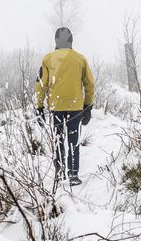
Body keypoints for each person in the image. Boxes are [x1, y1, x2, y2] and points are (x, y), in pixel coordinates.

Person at [34, 27, 95, 187]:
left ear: (56, 41)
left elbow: (40, 85)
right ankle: (73, 175)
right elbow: (90, 83)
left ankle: (59, 173)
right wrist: (88, 105)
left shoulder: (48, 59)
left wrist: (39, 106)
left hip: (56, 107)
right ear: (71, 41)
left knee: (58, 140)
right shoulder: (80, 59)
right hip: (76, 107)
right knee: (73, 141)